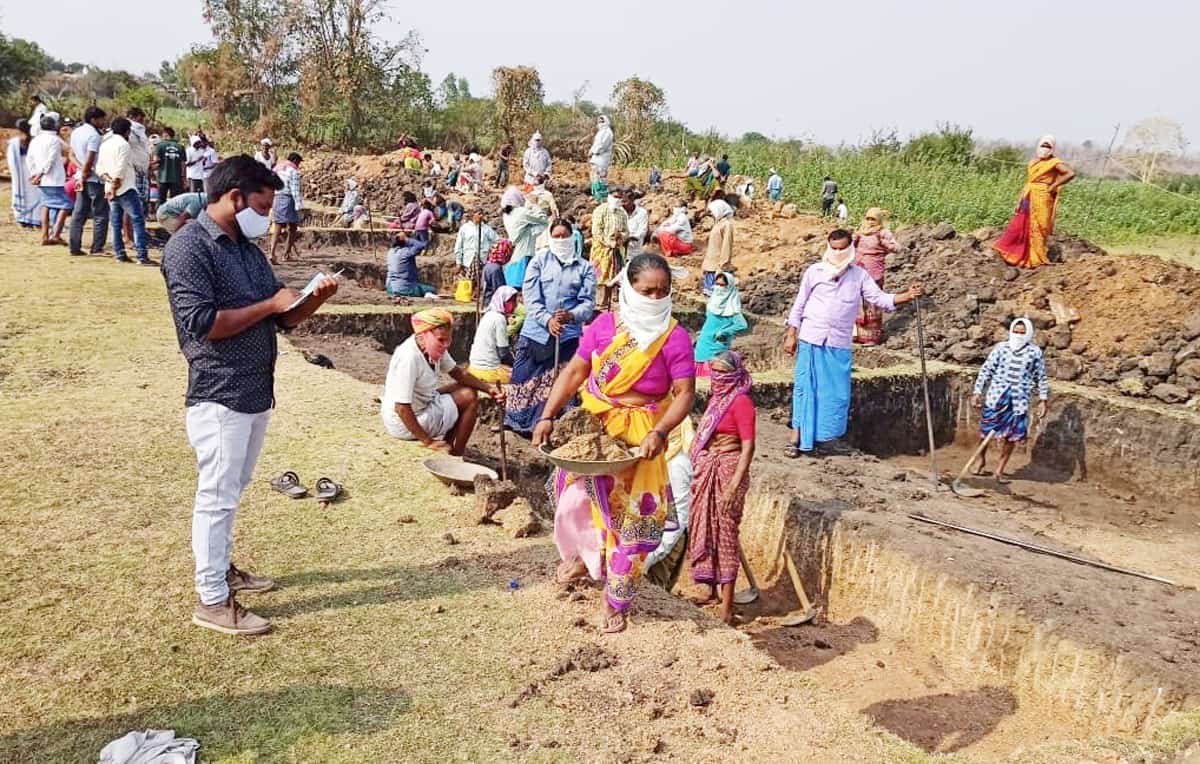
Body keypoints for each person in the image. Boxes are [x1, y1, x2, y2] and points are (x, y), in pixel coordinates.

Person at [162, 155, 339, 635]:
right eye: (262, 206)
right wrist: (269, 304)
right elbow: (203, 325)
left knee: (232, 490)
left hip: (256, 389)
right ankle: (212, 599)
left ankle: (220, 571)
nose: (266, 216)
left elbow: (283, 316)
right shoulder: (188, 248)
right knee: (216, 495)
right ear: (235, 197)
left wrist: (312, 300)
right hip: (220, 390)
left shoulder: (247, 251)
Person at [534, 254, 696, 633]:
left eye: (663, 292)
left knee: (633, 524)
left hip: (643, 438)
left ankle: (616, 602)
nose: (655, 298)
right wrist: (548, 415)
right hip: (596, 429)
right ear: (629, 288)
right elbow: (576, 370)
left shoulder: (674, 337)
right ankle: (581, 559)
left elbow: (685, 393)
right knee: (574, 498)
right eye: (647, 291)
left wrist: (660, 431)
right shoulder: (603, 327)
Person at [784, 229, 922, 457]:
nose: (837, 253)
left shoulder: (859, 276)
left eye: (842, 249)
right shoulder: (814, 272)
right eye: (834, 248)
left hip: (838, 342)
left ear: (850, 249)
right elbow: (799, 304)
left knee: (836, 394)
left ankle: (824, 438)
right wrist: (791, 334)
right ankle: (796, 438)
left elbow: (879, 298)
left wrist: (906, 296)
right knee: (805, 389)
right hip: (811, 338)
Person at [504, 220, 597, 434]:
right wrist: (548, 320)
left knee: (563, 380)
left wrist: (571, 315)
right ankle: (517, 423)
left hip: (567, 336)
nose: (561, 240)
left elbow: (588, 304)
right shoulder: (538, 261)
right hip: (535, 332)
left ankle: (555, 424)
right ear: (550, 238)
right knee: (523, 378)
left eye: (565, 236)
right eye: (556, 236)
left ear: (573, 237)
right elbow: (531, 297)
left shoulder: (585, 267)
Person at [687, 350, 755, 624]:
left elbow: (748, 447)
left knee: (725, 535)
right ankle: (712, 592)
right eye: (712, 373)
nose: (715, 379)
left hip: (729, 471)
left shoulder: (741, 403)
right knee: (705, 529)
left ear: (732, 375)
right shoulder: (717, 400)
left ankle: (727, 607)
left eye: (720, 374)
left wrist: (733, 486)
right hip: (708, 470)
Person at [380, 308, 503, 456]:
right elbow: (401, 408)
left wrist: (489, 389)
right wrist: (428, 441)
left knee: (466, 387)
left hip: (421, 404)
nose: (445, 345)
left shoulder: (433, 347)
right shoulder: (409, 358)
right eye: (441, 340)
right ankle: (456, 452)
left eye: (447, 340)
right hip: (403, 423)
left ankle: (449, 445)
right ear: (423, 335)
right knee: (469, 396)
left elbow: (458, 373)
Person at [970, 318, 1050, 482]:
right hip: (996, 397)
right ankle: (980, 460)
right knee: (986, 431)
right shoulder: (1001, 348)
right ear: (1011, 331)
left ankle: (999, 470)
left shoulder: (1034, 352)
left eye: (1022, 333)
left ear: (1028, 334)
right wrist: (977, 391)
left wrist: (1043, 399)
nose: (1018, 335)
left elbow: (1041, 377)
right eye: (1016, 331)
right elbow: (986, 370)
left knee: (1011, 436)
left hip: (1018, 400)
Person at [994, 135, 1077, 269]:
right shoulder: (1033, 162)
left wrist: (1053, 186)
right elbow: (1029, 181)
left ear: (1052, 149)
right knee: (1021, 223)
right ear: (1038, 146)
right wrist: (1020, 199)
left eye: (1048, 146)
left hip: (1042, 197)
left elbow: (1070, 173)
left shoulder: (1055, 162)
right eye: (1043, 146)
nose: (1045, 149)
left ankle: (1035, 258)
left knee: (1039, 226)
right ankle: (1013, 253)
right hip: (1029, 195)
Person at [642, 419, 695, 590]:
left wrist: (651, 556)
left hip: (667, 542)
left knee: (655, 589)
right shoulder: (660, 459)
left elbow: (678, 519)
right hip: (653, 534)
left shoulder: (678, 464)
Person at [97, 117, 154, 266]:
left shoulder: (105, 144)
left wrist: (109, 182)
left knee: (116, 223)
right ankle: (142, 256)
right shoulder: (124, 145)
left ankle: (120, 253)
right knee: (138, 220)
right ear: (127, 131)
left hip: (110, 187)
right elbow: (121, 169)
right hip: (125, 187)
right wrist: (115, 184)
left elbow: (99, 168)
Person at [853, 207, 900, 346]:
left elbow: (897, 248)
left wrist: (884, 243)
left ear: (879, 220)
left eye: (873, 219)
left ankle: (872, 337)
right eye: (868, 218)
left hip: (874, 271)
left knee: (872, 302)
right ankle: (857, 334)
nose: (869, 222)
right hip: (858, 270)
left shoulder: (883, 233)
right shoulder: (861, 231)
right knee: (857, 303)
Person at [68, 106, 109, 256]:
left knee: (78, 212)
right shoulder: (94, 136)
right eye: (101, 119)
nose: (103, 122)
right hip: (94, 179)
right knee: (100, 213)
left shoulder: (76, 132)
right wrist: (86, 171)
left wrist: (81, 170)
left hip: (81, 176)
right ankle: (97, 247)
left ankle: (74, 246)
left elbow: (71, 155)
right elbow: (91, 158)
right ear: (94, 119)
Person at [28, 113, 72, 245]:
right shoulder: (54, 140)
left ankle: (44, 235)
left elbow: (29, 159)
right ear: (54, 126)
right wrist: (40, 174)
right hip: (54, 178)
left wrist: (34, 174)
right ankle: (56, 234)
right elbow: (51, 159)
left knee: (46, 205)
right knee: (66, 205)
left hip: (41, 179)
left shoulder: (36, 139)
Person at [694, 273, 748, 376]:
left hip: (716, 346)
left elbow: (742, 325)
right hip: (703, 343)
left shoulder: (731, 306)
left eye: (722, 285)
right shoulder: (712, 302)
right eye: (717, 284)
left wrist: (724, 332)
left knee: (713, 372)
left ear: (729, 287)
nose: (719, 288)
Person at [468, 286, 519, 384]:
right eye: (511, 301)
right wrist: (516, 364)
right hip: (488, 371)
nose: (514, 305)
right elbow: (503, 353)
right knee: (522, 376)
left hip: (474, 367)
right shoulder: (499, 319)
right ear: (502, 301)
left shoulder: (489, 314)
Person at [590, 189, 630, 310]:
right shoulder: (600, 210)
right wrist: (608, 242)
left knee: (615, 275)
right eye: (615, 196)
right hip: (601, 249)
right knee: (601, 275)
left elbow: (626, 230)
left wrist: (621, 238)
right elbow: (596, 231)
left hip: (617, 248)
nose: (617, 199)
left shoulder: (622, 213)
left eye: (620, 197)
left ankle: (612, 301)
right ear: (609, 196)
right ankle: (599, 302)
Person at [501, 197, 549, 289]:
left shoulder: (507, 216)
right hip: (525, 253)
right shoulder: (521, 212)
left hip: (514, 256)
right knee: (525, 284)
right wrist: (535, 205)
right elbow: (542, 219)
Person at [269, 152, 304, 263]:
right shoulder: (293, 172)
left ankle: (272, 253)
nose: (298, 165)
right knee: (292, 227)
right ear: (294, 161)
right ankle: (286, 254)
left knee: (277, 227)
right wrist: (299, 207)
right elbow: (295, 191)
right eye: (298, 162)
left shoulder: (277, 169)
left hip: (277, 198)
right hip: (288, 199)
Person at [7, 119, 41, 228]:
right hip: (29, 170)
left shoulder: (15, 142)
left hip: (23, 171)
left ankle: (26, 219)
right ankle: (32, 219)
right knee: (33, 195)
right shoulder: (32, 140)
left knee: (29, 194)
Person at [455, 208, 498, 284]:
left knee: (483, 283)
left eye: (482, 214)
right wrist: (459, 262)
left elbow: (497, 240)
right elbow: (459, 246)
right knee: (468, 285)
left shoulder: (486, 229)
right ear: (472, 215)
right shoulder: (464, 228)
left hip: (482, 260)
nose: (481, 216)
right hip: (468, 261)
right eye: (479, 214)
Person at [701, 196, 735, 295]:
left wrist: (722, 266)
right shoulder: (718, 223)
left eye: (713, 211)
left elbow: (726, 246)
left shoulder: (727, 225)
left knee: (714, 296)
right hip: (710, 266)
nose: (712, 214)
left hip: (716, 266)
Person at [385, 231, 434, 298]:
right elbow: (421, 245)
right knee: (431, 289)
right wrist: (407, 239)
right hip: (405, 289)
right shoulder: (406, 252)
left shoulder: (390, 252)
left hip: (390, 288)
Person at [126, 107, 152, 216]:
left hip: (141, 169)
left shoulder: (140, 131)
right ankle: (132, 231)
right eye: (140, 119)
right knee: (134, 203)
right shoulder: (130, 130)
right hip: (134, 169)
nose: (142, 122)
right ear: (133, 117)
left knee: (139, 201)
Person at [155, 127, 186, 202]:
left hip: (162, 178)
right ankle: (173, 213)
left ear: (166, 135)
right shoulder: (180, 147)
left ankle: (160, 213)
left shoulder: (159, 146)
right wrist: (183, 177)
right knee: (175, 201)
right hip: (176, 178)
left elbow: (156, 161)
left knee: (161, 200)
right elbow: (183, 164)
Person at [589, 115, 614, 201]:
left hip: (602, 159)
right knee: (594, 177)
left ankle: (602, 198)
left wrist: (594, 151)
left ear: (606, 122)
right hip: (595, 159)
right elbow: (595, 144)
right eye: (599, 122)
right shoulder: (600, 133)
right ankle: (596, 196)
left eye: (602, 121)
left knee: (601, 177)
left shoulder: (608, 132)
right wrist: (591, 150)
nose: (600, 123)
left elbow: (603, 146)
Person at [482, 239, 514, 306]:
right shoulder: (496, 269)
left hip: (486, 301)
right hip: (493, 304)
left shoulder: (488, 265)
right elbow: (499, 290)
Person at [623, 190, 649, 260]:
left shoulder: (642, 213)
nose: (623, 204)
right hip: (620, 251)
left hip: (634, 251)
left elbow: (642, 231)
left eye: (625, 201)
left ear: (632, 200)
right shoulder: (619, 212)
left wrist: (629, 238)